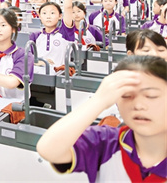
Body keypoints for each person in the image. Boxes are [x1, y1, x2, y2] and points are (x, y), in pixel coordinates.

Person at [37, 56, 167, 182]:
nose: (138, 105)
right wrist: (99, 100)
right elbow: (49, 149)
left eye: (151, 96)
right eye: (126, 95)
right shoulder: (106, 142)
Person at [29, 0, 75, 73]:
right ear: (39, 16)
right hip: (37, 74)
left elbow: (68, 7)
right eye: (44, 13)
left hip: (59, 75)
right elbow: (29, 58)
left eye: (52, 13)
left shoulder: (65, 32)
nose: (48, 16)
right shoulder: (35, 35)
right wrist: (40, 62)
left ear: (60, 16)